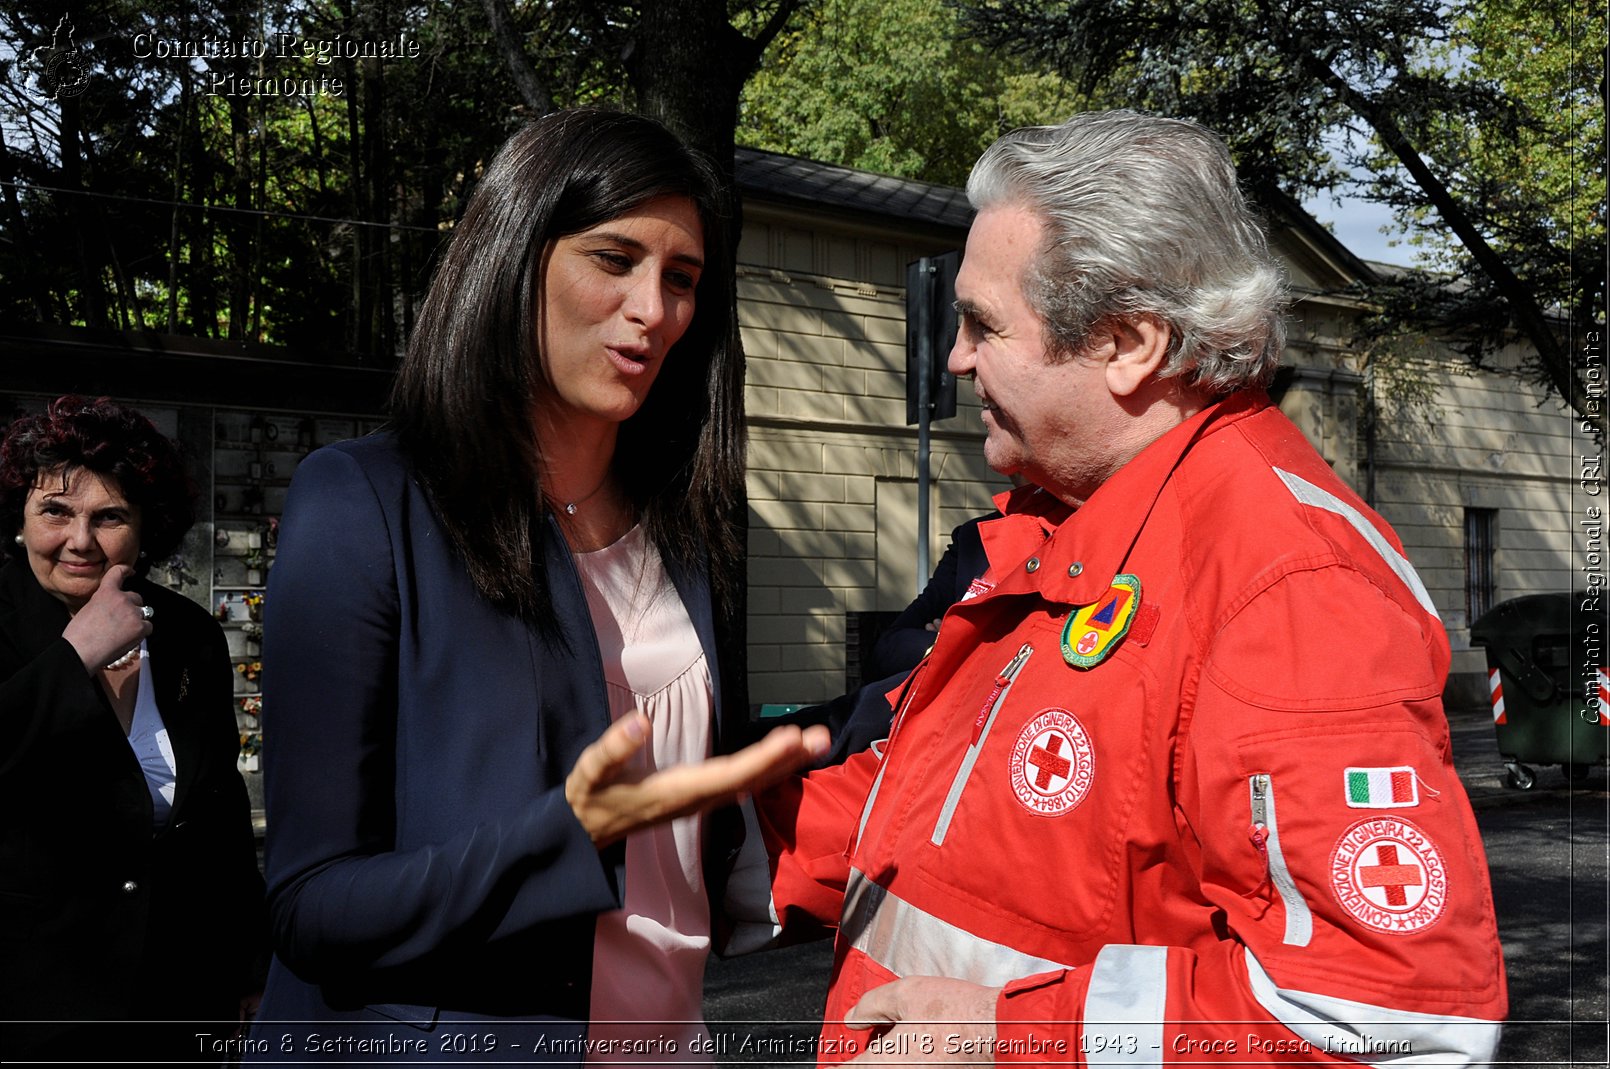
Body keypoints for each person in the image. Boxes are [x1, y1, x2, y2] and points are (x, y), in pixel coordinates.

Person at [751, 111, 1507, 1064]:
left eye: (983, 324)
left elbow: (1400, 1019)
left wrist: (1019, 1033)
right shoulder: (1067, 521)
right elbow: (942, 814)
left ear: (1129, 342)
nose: (955, 357)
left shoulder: (1286, 583)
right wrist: (693, 848)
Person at [248, 109, 826, 1063]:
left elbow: (697, 786)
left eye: (681, 279)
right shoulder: (366, 502)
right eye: (614, 258)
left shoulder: (687, 528)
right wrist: (566, 834)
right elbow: (310, 906)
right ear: (516, 255)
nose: (654, 308)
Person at [0, 395, 267, 1062]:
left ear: (147, 526)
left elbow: (219, 811)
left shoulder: (189, 632)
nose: (80, 539)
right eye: (55, 511)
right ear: (20, 517)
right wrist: (75, 655)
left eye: (109, 515)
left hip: (176, 999)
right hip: (34, 1004)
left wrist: (247, 966)